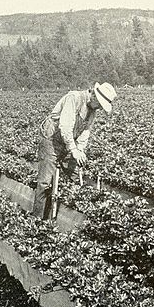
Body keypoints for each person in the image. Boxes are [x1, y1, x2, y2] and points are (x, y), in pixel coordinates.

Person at [32, 82, 117, 220]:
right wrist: (73, 149)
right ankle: (36, 221)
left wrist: (80, 150)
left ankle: (77, 217)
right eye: (100, 105)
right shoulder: (74, 98)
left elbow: (85, 131)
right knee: (44, 182)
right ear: (94, 96)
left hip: (68, 142)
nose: (100, 108)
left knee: (75, 177)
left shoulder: (92, 111)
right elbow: (65, 126)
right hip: (52, 140)